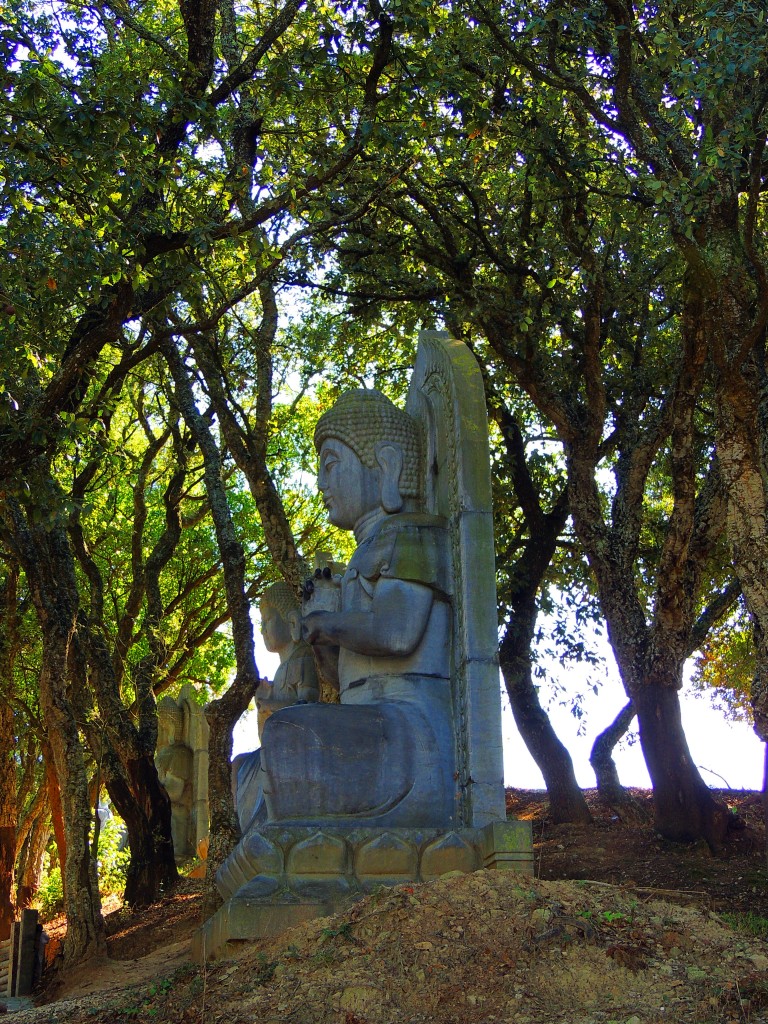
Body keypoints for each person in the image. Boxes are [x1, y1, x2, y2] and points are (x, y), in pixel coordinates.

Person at [254, 389, 457, 829]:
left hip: (409, 733)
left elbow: (396, 634)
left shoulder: (412, 535)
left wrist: (327, 623)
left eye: (331, 466)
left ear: (387, 466)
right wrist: (321, 639)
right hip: (368, 722)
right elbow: (335, 677)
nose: (321, 484)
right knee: (264, 757)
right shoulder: (359, 559)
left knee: (288, 737)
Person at [232, 582, 319, 832]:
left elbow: (308, 706)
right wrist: (263, 705)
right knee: (237, 763)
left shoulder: (303, 658)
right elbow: (265, 733)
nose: (262, 630)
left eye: (267, 621)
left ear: (291, 622)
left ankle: (262, 824)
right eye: (261, 623)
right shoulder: (280, 670)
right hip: (274, 747)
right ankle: (237, 826)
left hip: (296, 747)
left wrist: (270, 704)